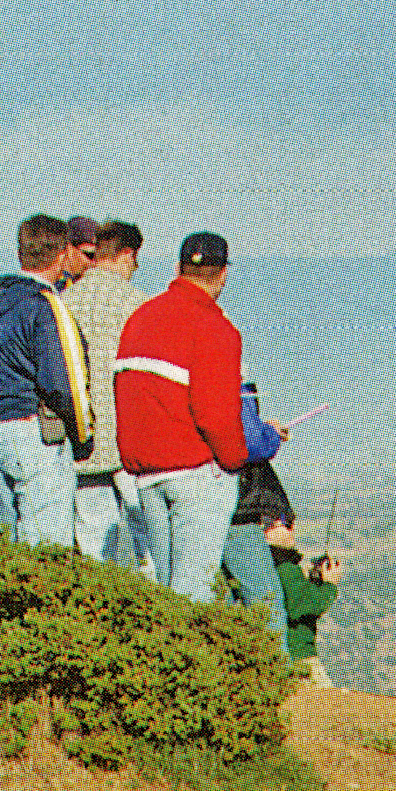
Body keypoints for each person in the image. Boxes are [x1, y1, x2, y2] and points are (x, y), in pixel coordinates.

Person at [114, 232, 249, 601]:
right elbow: (216, 416)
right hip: (195, 475)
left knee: (167, 598)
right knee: (193, 598)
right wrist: (236, 460)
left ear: (178, 268)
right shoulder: (215, 328)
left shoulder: (141, 318)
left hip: (146, 474)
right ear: (223, 275)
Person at [0, 214, 96, 547]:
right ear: (64, 253)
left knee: (14, 548)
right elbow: (65, 381)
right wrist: (83, 438)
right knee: (47, 552)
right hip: (34, 432)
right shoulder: (47, 306)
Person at [62, 221, 152, 566]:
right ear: (127, 255)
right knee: (149, 542)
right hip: (130, 440)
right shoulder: (139, 305)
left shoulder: (66, 301)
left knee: (94, 544)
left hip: (83, 439)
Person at [222, 380, 292, 651]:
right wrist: (269, 435)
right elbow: (250, 445)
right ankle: (275, 675)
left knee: (217, 593)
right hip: (236, 506)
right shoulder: (224, 367)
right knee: (264, 598)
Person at [264, 509, 343, 688]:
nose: (292, 529)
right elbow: (301, 605)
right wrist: (329, 584)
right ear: (266, 529)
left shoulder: (265, 562)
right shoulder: (285, 567)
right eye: (286, 524)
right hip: (299, 654)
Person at [57, 216, 99, 291]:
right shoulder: (52, 286)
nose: (94, 263)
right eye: (90, 255)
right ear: (69, 249)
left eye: (98, 257)